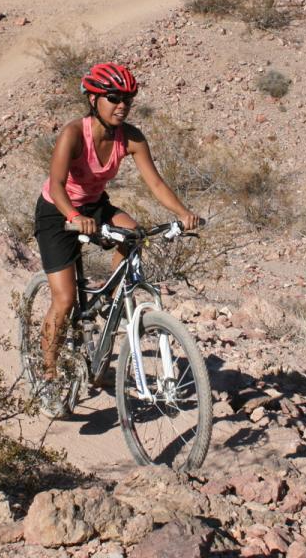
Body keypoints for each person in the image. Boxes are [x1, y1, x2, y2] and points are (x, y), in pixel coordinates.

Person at [33, 62, 199, 393]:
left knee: (135, 235)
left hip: (96, 207)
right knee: (65, 300)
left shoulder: (131, 138)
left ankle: (109, 300)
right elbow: (56, 183)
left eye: (127, 100)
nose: (121, 106)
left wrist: (184, 213)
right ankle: (48, 376)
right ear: (93, 99)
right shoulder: (74, 133)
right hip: (57, 209)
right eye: (113, 98)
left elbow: (155, 183)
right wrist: (72, 216)